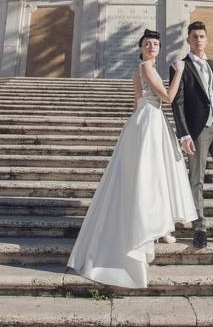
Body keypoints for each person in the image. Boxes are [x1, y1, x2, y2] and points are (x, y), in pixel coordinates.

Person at [67, 30, 195, 289]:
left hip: (145, 119)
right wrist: (179, 71)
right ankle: (153, 228)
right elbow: (168, 98)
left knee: (150, 174)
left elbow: (138, 100)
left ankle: (159, 226)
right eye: (148, 44)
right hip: (150, 121)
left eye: (156, 44)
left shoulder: (141, 69)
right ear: (141, 47)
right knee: (151, 174)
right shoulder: (147, 66)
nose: (152, 47)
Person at [169, 21, 213, 248]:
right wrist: (184, 134)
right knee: (196, 179)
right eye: (194, 37)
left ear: (206, 39)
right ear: (188, 40)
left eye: (202, 36)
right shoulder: (179, 66)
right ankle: (199, 227)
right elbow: (177, 103)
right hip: (197, 129)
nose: (198, 40)